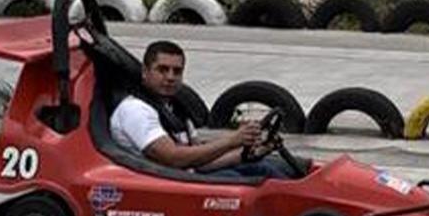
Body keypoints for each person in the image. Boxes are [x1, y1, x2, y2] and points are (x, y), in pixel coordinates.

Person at [110, 40, 299, 179]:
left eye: (177, 71)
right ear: (145, 72)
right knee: (243, 184)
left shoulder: (175, 109)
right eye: (162, 69)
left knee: (265, 168)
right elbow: (173, 157)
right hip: (162, 183)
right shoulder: (135, 110)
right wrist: (232, 140)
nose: (170, 77)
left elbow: (200, 161)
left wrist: (246, 153)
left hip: (185, 177)